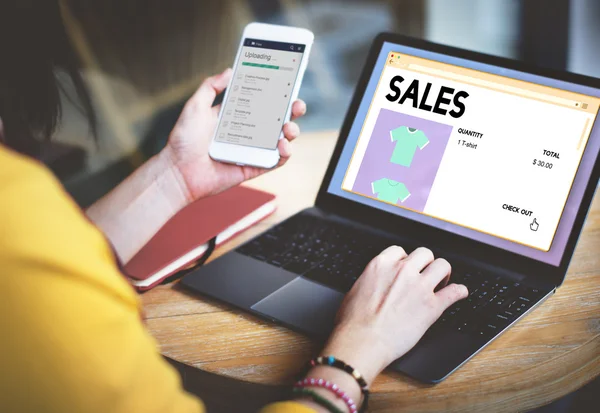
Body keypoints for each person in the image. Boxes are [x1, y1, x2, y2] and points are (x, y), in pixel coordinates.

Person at [0, 2, 468, 412]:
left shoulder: (21, 208)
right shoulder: (16, 219)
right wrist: (361, 347)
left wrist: (175, 176)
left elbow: (54, 253)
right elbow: (33, 267)